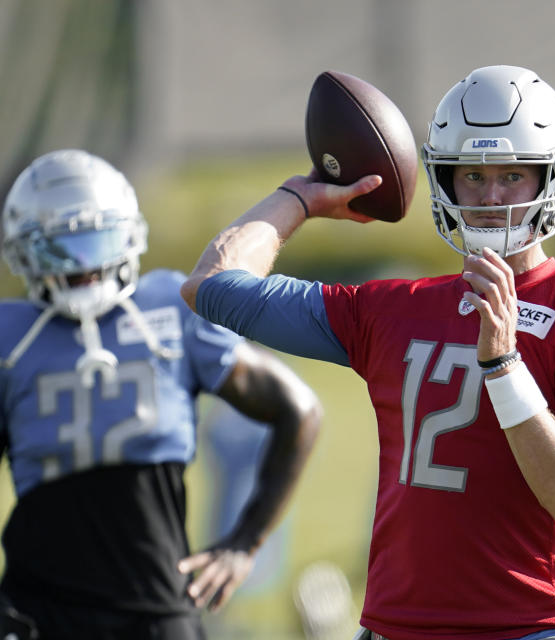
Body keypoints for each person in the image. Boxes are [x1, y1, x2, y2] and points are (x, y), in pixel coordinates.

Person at [181, 65, 555, 640]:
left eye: (513, 175)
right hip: (397, 627)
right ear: (443, 180)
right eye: (472, 175)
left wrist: (503, 366)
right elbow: (211, 286)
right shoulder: (393, 308)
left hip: (530, 628)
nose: (491, 197)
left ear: (550, 177)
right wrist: (300, 198)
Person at [0, 149, 322, 639]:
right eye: (61, 249)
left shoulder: (169, 311)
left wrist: (244, 541)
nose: (85, 268)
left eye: (98, 240)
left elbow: (298, 410)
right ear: (26, 249)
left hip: (157, 609)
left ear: (126, 235)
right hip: (35, 613)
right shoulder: (10, 337)